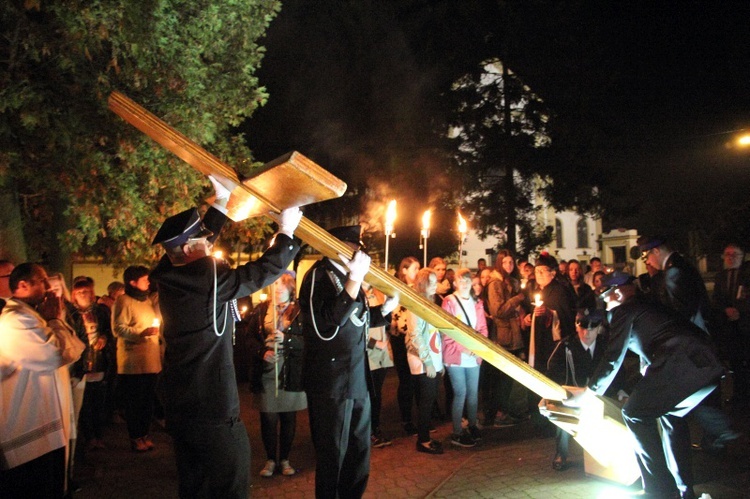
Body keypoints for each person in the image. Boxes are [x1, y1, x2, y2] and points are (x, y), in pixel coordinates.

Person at [149, 175, 302, 498]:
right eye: (204, 242)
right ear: (192, 249)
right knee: (231, 486)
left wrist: (220, 204)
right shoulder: (206, 277)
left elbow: (192, 248)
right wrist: (286, 234)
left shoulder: (168, 274)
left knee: (194, 487)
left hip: (180, 406)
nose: (210, 245)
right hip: (212, 408)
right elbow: (259, 273)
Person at [565, 272, 724, 499]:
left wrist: (589, 393)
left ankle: (659, 492)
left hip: (682, 365)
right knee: (670, 417)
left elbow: (612, 358)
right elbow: (659, 338)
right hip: (707, 366)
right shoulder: (648, 305)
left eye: (606, 298)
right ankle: (683, 490)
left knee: (634, 413)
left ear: (618, 293)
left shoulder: (624, 310)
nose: (607, 306)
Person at [299, 225, 398, 498]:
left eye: (358, 246)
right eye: (352, 245)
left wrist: (384, 311)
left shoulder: (349, 277)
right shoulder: (318, 275)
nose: (358, 251)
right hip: (331, 382)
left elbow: (358, 322)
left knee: (358, 452)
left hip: (356, 379)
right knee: (333, 455)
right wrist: (354, 280)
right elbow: (326, 326)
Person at [0, 263, 86, 498]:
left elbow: (74, 348)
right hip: (31, 427)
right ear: (23, 285)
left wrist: (53, 320)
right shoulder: (15, 319)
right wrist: (55, 320)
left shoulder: (34, 316)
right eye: (43, 281)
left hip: (47, 423)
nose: (49, 287)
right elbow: (55, 355)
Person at [252, 272, 306, 478]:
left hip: (290, 372)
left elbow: (307, 340)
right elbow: (249, 338)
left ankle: (284, 458)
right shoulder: (262, 310)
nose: (277, 289)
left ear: (290, 289)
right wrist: (262, 352)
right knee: (267, 417)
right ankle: (270, 459)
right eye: (274, 285)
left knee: (288, 418)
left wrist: (288, 339)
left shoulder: (298, 312)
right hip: (267, 373)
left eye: (282, 285)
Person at [112, 265, 162, 453]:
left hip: (151, 359)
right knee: (135, 401)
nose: (148, 282)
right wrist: (142, 332)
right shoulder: (123, 301)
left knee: (148, 401)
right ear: (132, 282)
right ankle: (135, 436)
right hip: (133, 361)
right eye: (144, 279)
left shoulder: (148, 301)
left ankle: (145, 434)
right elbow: (118, 328)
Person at [442, 268, 490, 447]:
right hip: (456, 355)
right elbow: (447, 330)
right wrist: (464, 348)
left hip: (474, 354)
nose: (464, 284)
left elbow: (483, 327)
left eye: (467, 280)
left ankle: (472, 424)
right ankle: (457, 431)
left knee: (473, 393)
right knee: (460, 392)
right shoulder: (449, 302)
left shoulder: (477, 302)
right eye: (461, 280)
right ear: (455, 283)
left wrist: (479, 347)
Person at [69, 277, 114, 452]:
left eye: (86, 291)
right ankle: (88, 437)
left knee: (98, 401)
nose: (84, 295)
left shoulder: (101, 312)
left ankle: (98, 436)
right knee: (84, 403)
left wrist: (104, 337)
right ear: (74, 296)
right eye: (80, 292)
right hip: (81, 364)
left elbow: (108, 331)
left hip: (98, 361)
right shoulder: (71, 315)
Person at [484, 250, 526, 427]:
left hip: (514, 333)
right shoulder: (495, 284)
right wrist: (516, 300)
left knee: (509, 378)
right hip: (504, 335)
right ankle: (497, 413)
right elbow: (498, 310)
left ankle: (504, 410)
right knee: (502, 379)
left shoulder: (512, 281)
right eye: (506, 262)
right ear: (499, 263)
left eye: (511, 262)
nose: (509, 265)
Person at [405, 267, 445, 454]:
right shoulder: (416, 304)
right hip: (422, 360)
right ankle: (423, 440)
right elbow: (415, 335)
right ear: (423, 284)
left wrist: (440, 362)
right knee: (426, 400)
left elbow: (435, 334)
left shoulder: (430, 302)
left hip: (432, 358)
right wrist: (428, 362)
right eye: (432, 282)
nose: (436, 285)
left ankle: (425, 437)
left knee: (429, 399)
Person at [712, 244, 750, 406]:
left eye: (735, 254)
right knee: (735, 363)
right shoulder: (721, 276)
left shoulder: (747, 275)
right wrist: (725, 310)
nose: (730, 257)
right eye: (727, 254)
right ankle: (739, 396)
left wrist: (739, 311)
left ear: (742, 257)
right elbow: (716, 299)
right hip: (728, 327)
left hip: (745, 324)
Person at [390, 256, 420, 435]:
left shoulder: (419, 290)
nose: (417, 272)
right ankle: (406, 419)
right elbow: (396, 315)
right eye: (414, 268)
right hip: (402, 338)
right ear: (404, 270)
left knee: (417, 378)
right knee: (406, 380)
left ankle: (421, 415)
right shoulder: (397, 290)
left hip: (416, 337)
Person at [363, 281, 394, 448]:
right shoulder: (358, 296)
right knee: (371, 394)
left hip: (382, 353)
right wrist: (374, 344)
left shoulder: (378, 294)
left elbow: (385, 320)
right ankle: (371, 431)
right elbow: (357, 330)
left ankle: (375, 428)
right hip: (369, 354)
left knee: (377, 394)